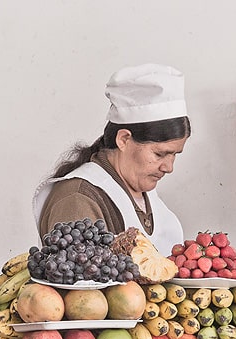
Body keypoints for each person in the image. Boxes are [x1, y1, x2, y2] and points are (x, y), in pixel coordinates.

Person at [33, 63, 192, 256]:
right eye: (159, 154)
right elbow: (79, 280)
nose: (169, 167)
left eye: (175, 154)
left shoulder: (143, 192)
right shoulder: (78, 199)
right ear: (123, 139)